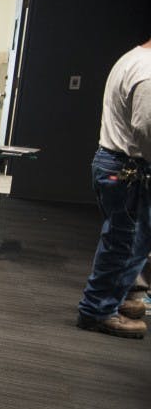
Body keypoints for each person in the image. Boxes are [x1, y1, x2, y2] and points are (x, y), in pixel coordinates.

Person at [76, 37, 151, 339]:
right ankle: (97, 311)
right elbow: (145, 129)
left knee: (126, 240)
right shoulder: (147, 70)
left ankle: (112, 299)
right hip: (129, 167)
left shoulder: (133, 58)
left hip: (115, 162)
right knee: (125, 243)